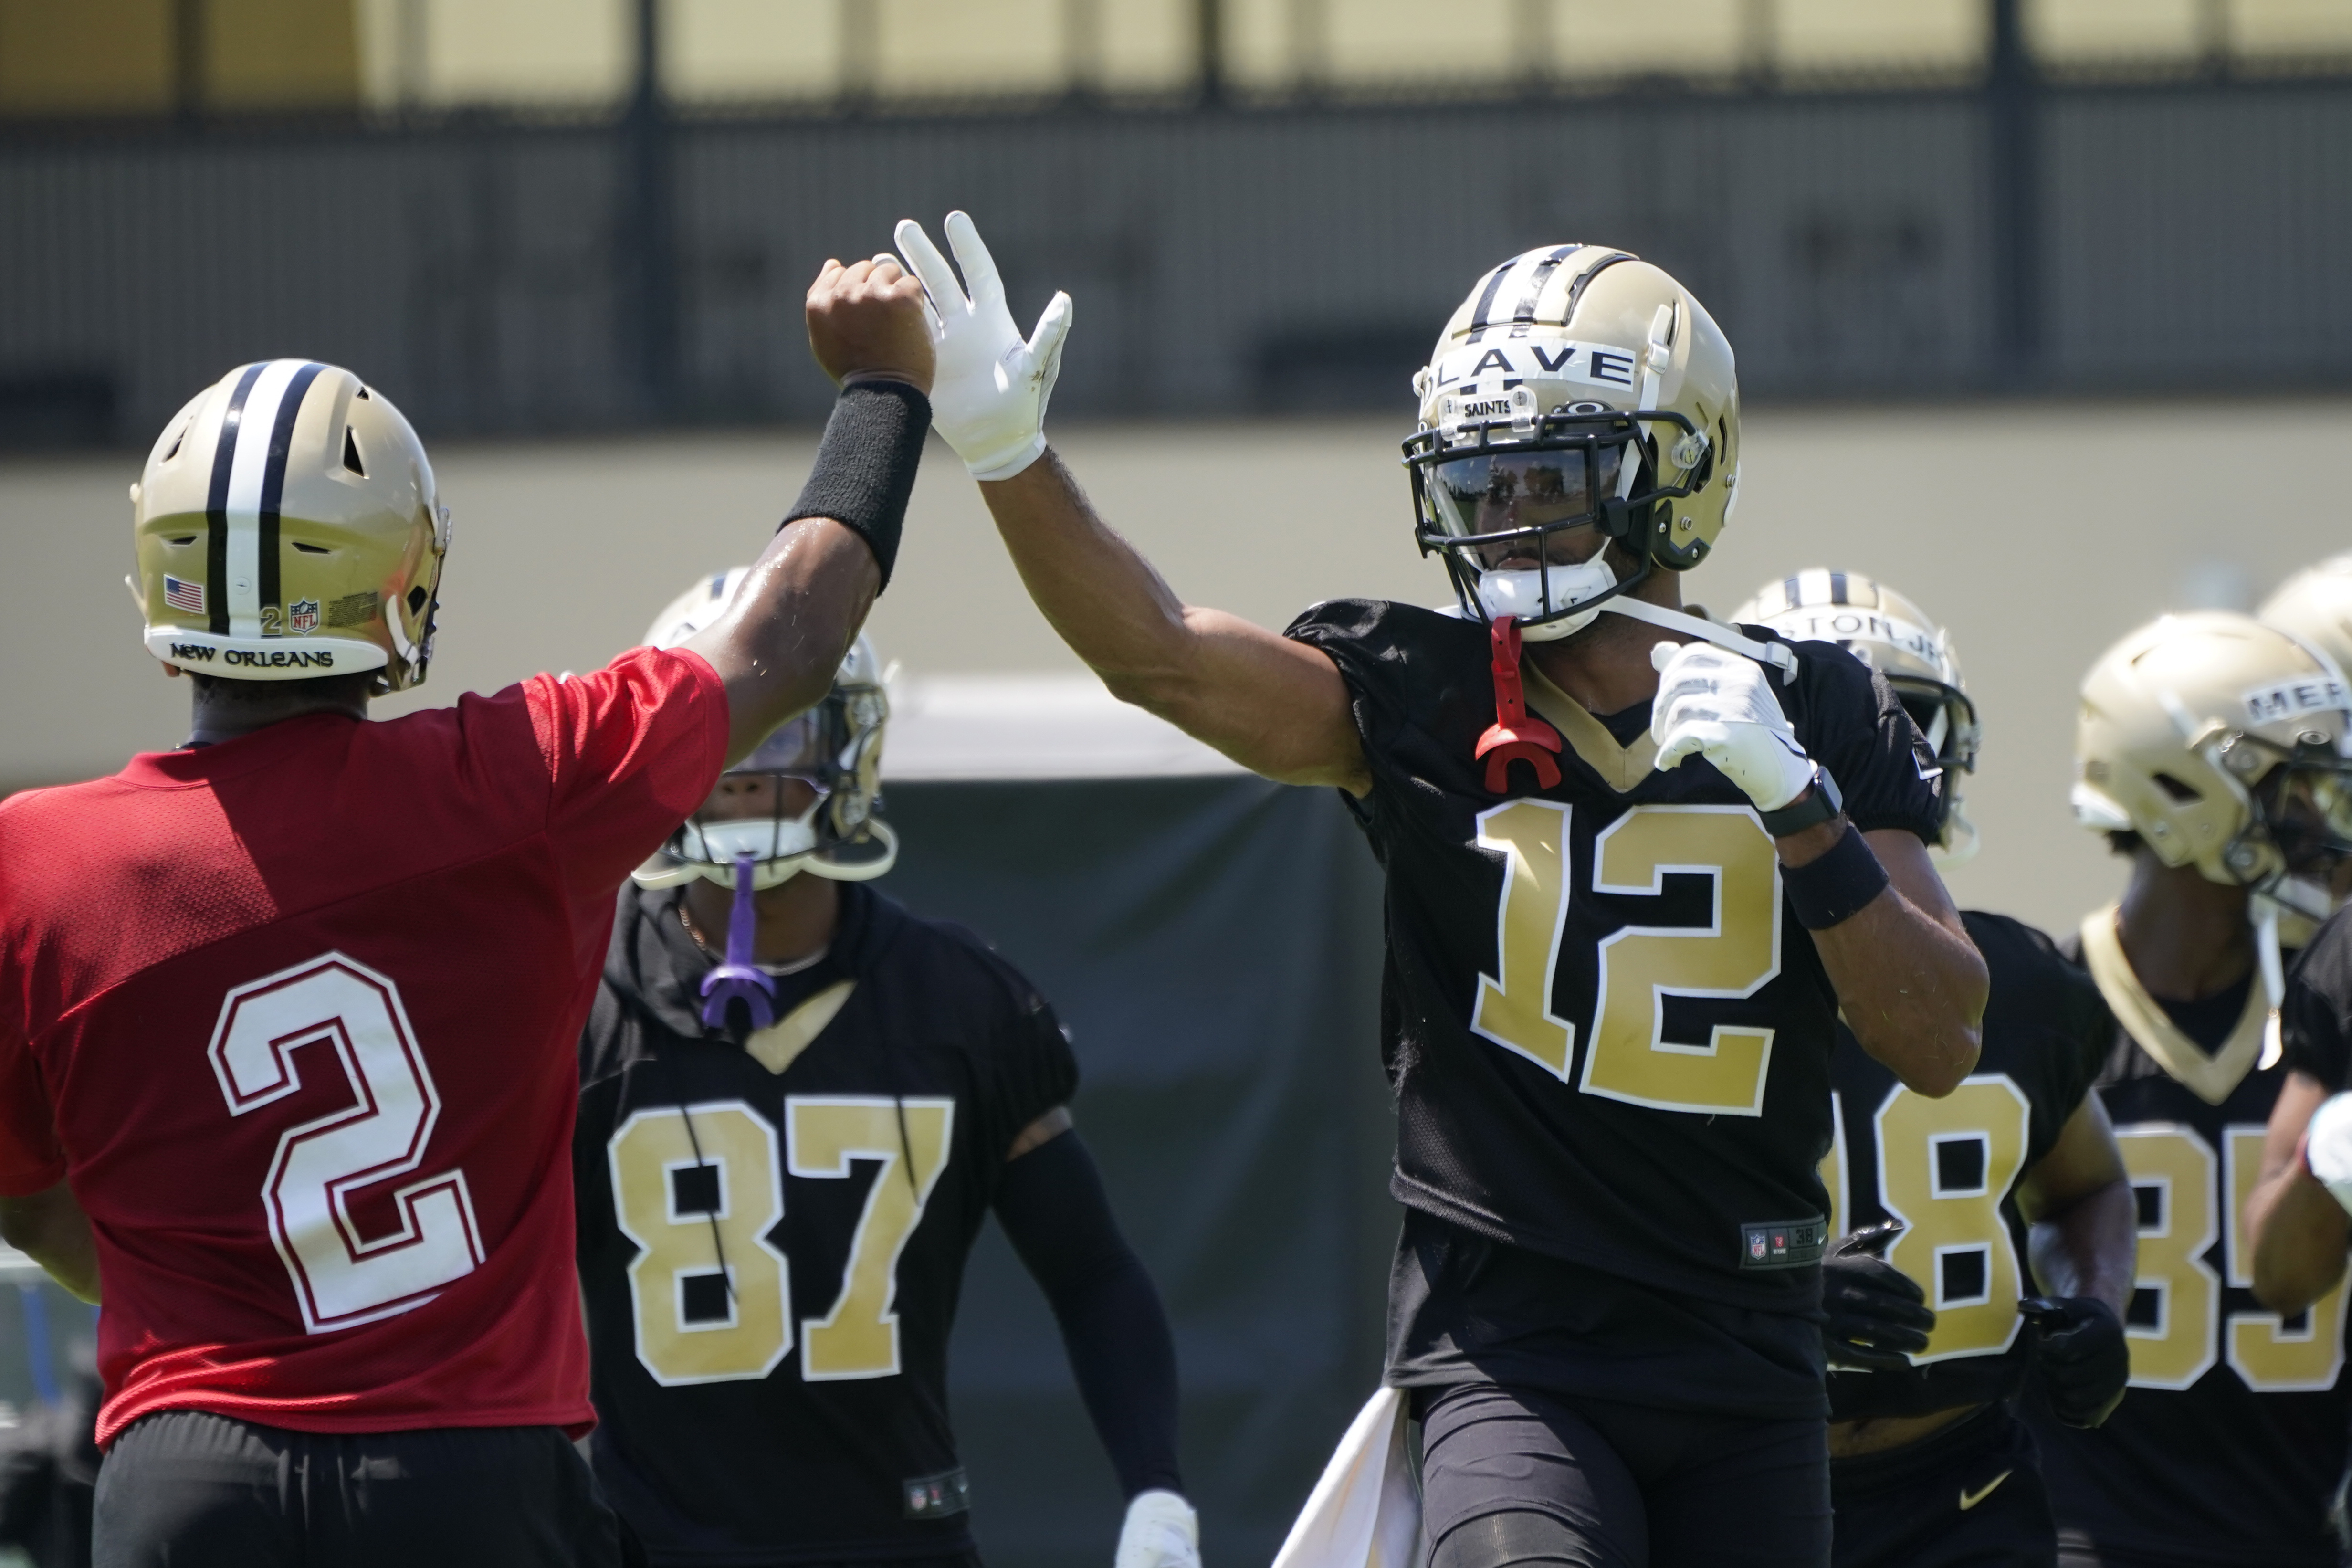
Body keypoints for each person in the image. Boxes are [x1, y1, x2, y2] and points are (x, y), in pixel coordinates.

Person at [892, 212, 1989, 1568]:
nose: (1508, 513)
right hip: (1513, 1349)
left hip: (1748, 1348)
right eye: (1484, 478)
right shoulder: (1418, 691)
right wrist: (1008, 454)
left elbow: (1938, 1037)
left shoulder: (1814, 703)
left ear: (1684, 465)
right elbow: (1162, 656)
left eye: (1551, 470)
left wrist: (1798, 803)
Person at [0, 252, 935, 1567]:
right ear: (402, 585)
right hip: (467, 1474)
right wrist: (886, 387)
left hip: (186, 1477)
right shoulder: (522, 777)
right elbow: (790, 626)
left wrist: (215, 1282)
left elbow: (33, 1200)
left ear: (166, 587)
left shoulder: (34, 860)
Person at [573, 572, 1199, 1568]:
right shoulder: (582, 997)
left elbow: (1091, 1271)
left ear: (849, 749)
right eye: (720, 733)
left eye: (778, 733)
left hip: (895, 1539)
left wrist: (1156, 1489)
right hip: (641, 1543)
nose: (741, 770)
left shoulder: (955, 999)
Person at [1727, 571, 2134, 1568]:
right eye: (1825, 728)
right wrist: (1771, 1287)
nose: (1879, 756)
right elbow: (1594, 1225)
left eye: (1906, 724)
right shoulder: (1673, 978)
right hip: (1733, 1473)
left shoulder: (2018, 980)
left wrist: (2096, 1302)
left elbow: (2089, 1183)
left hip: (1965, 1489)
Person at [2026, 610, 2352, 1568]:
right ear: (2180, 790)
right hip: (2079, 1538)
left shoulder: (2330, 1001)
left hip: (2293, 1535)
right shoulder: (2040, 1004)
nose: (2319, 808)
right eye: (2288, 778)